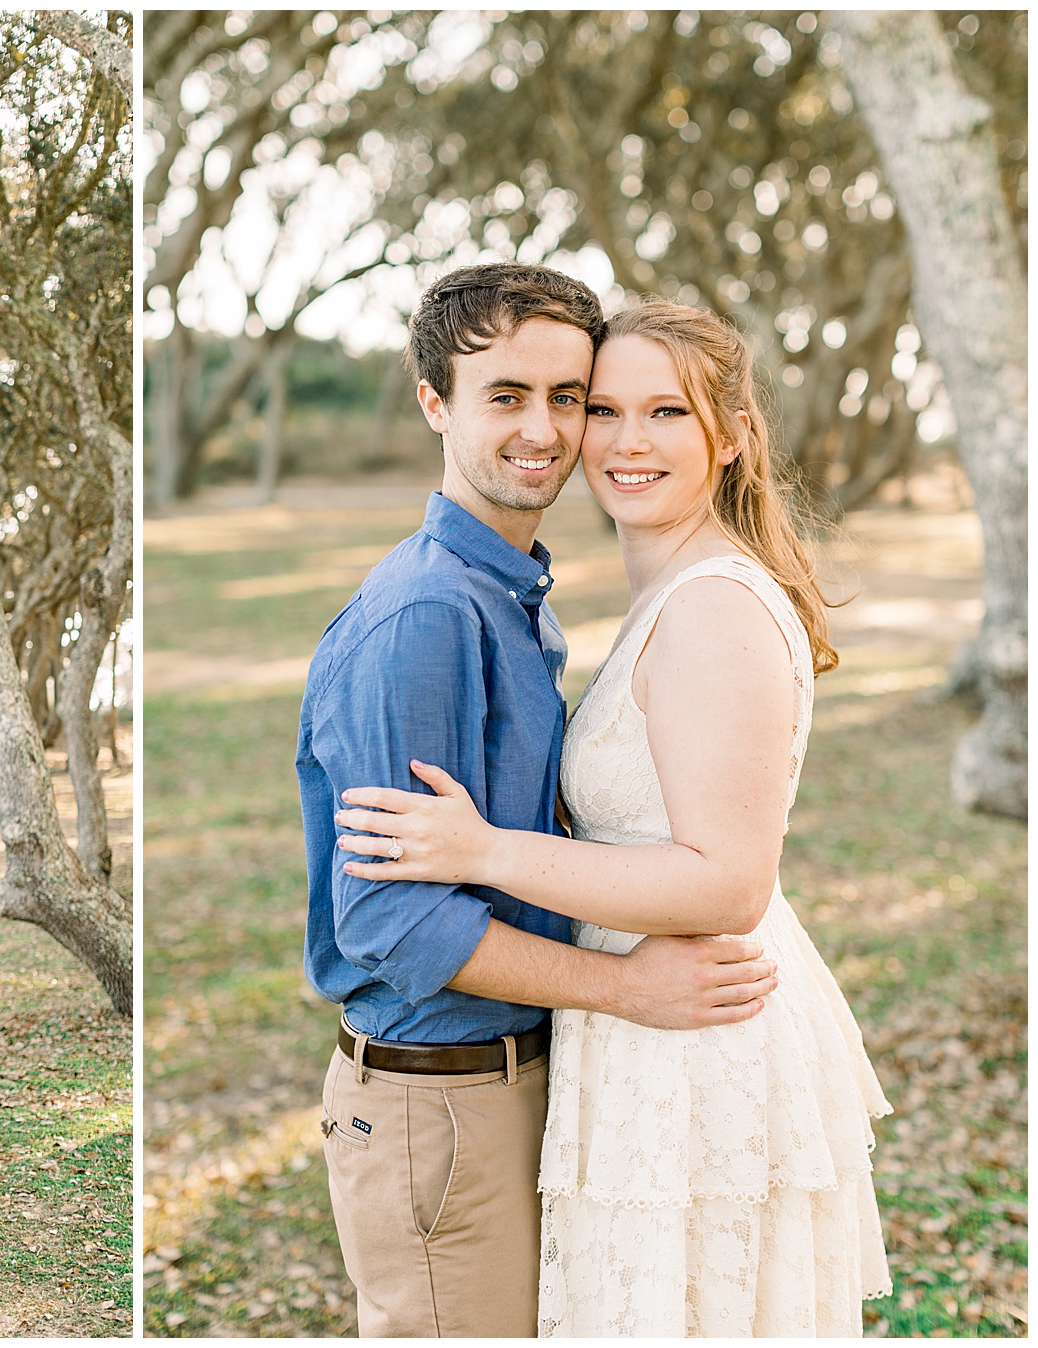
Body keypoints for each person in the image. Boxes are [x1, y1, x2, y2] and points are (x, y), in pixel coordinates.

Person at [334, 300, 891, 1335]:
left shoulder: (712, 604)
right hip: (644, 1019)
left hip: (691, 1030)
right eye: (605, 409)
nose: (626, 440)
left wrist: (487, 849)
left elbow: (728, 883)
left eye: (667, 412)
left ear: (732, 436)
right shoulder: (641, 591)